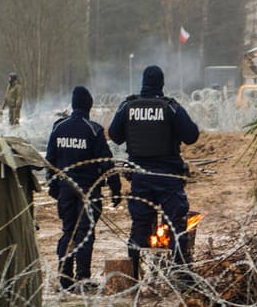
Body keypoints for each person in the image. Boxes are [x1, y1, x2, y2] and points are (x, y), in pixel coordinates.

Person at [108, 65, 200, 279]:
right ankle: (180, 275)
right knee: (176, 226)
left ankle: (133, 276)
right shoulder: (170, 107)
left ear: (143, 83)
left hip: (140, 176)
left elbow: (114, 134)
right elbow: (191, 135)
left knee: (139, 227)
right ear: (161, 84)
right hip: (168, 177)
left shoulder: (128, 106)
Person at [45, 86, 122, 292]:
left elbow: (50, 161)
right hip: (89, 191)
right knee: (85, 234)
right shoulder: (93, 130)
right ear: (89, 106)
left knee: (68, 231)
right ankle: (82, 277)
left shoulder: (58, 128)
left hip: (66, 189)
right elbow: (107, 163)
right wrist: (116, 190)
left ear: (72, 105)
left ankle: (64, 276)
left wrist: (54, 187)